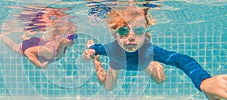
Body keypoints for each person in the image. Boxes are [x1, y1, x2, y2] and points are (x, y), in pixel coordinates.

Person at [82, 6, 227, 99]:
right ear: (115, 35)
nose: (131, 37)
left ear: (146, 34)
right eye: (123, 31)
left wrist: (203, 81)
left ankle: (152, 63)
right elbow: (96, 47)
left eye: (138, 31)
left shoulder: (149, 50)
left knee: (160, 79)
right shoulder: (111, 48)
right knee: (108, 87)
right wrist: (91, 53)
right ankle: (97, 61)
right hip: (118, 63)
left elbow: (181, 59)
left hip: (144, 61)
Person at [0, 16, 78, 68]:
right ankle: (2, 35)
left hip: (38, 42)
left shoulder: (57, 43)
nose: (73, 39)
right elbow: (28, 52)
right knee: (13, 46)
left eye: (73, 36)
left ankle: (24, 37)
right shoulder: (50, 50)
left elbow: (60, 48)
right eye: (71, 36)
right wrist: (39, 65)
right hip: (28, 47)